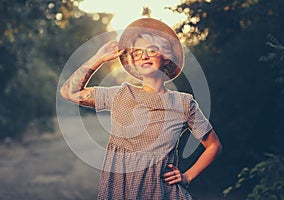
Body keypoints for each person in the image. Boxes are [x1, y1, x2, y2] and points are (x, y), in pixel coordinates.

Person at [60, 18, 222, 200]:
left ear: (166, 57)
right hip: (120, 193)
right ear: (132, 62)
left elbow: (214, 145)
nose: (143, 56)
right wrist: (99, 58)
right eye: (137, 53)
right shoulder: (121, 94)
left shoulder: (184, 104)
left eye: (152, 50)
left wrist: (187, 176)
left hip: (163, 194)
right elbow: (69, 92)